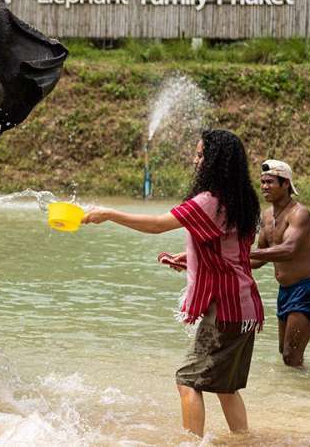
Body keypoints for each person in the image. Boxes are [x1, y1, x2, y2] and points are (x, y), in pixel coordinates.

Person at [82, 129, 263, 437]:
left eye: (201, 155)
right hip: (246, 309)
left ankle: (191, 444)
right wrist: (192, 258)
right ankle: (244, 440)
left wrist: (109, 213)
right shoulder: (243, 201)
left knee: (187, 381)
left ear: (215, 161)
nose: (196, 160)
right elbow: (231, 250)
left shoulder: (208, 201)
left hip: (225, 309)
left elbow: (156, 225)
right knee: (226, 387)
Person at [250, 159, 310, 368]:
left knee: (291, 357)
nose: (264, 187)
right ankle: (298, 393)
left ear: (285, 184)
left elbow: (288, 250)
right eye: (262, 182)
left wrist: (242, 254)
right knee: (285, 352)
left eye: (270, 182)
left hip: (307, 290)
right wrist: (227, 261)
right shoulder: (266, 216)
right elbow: (259, 258)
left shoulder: (299, 213)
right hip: (285, 291)